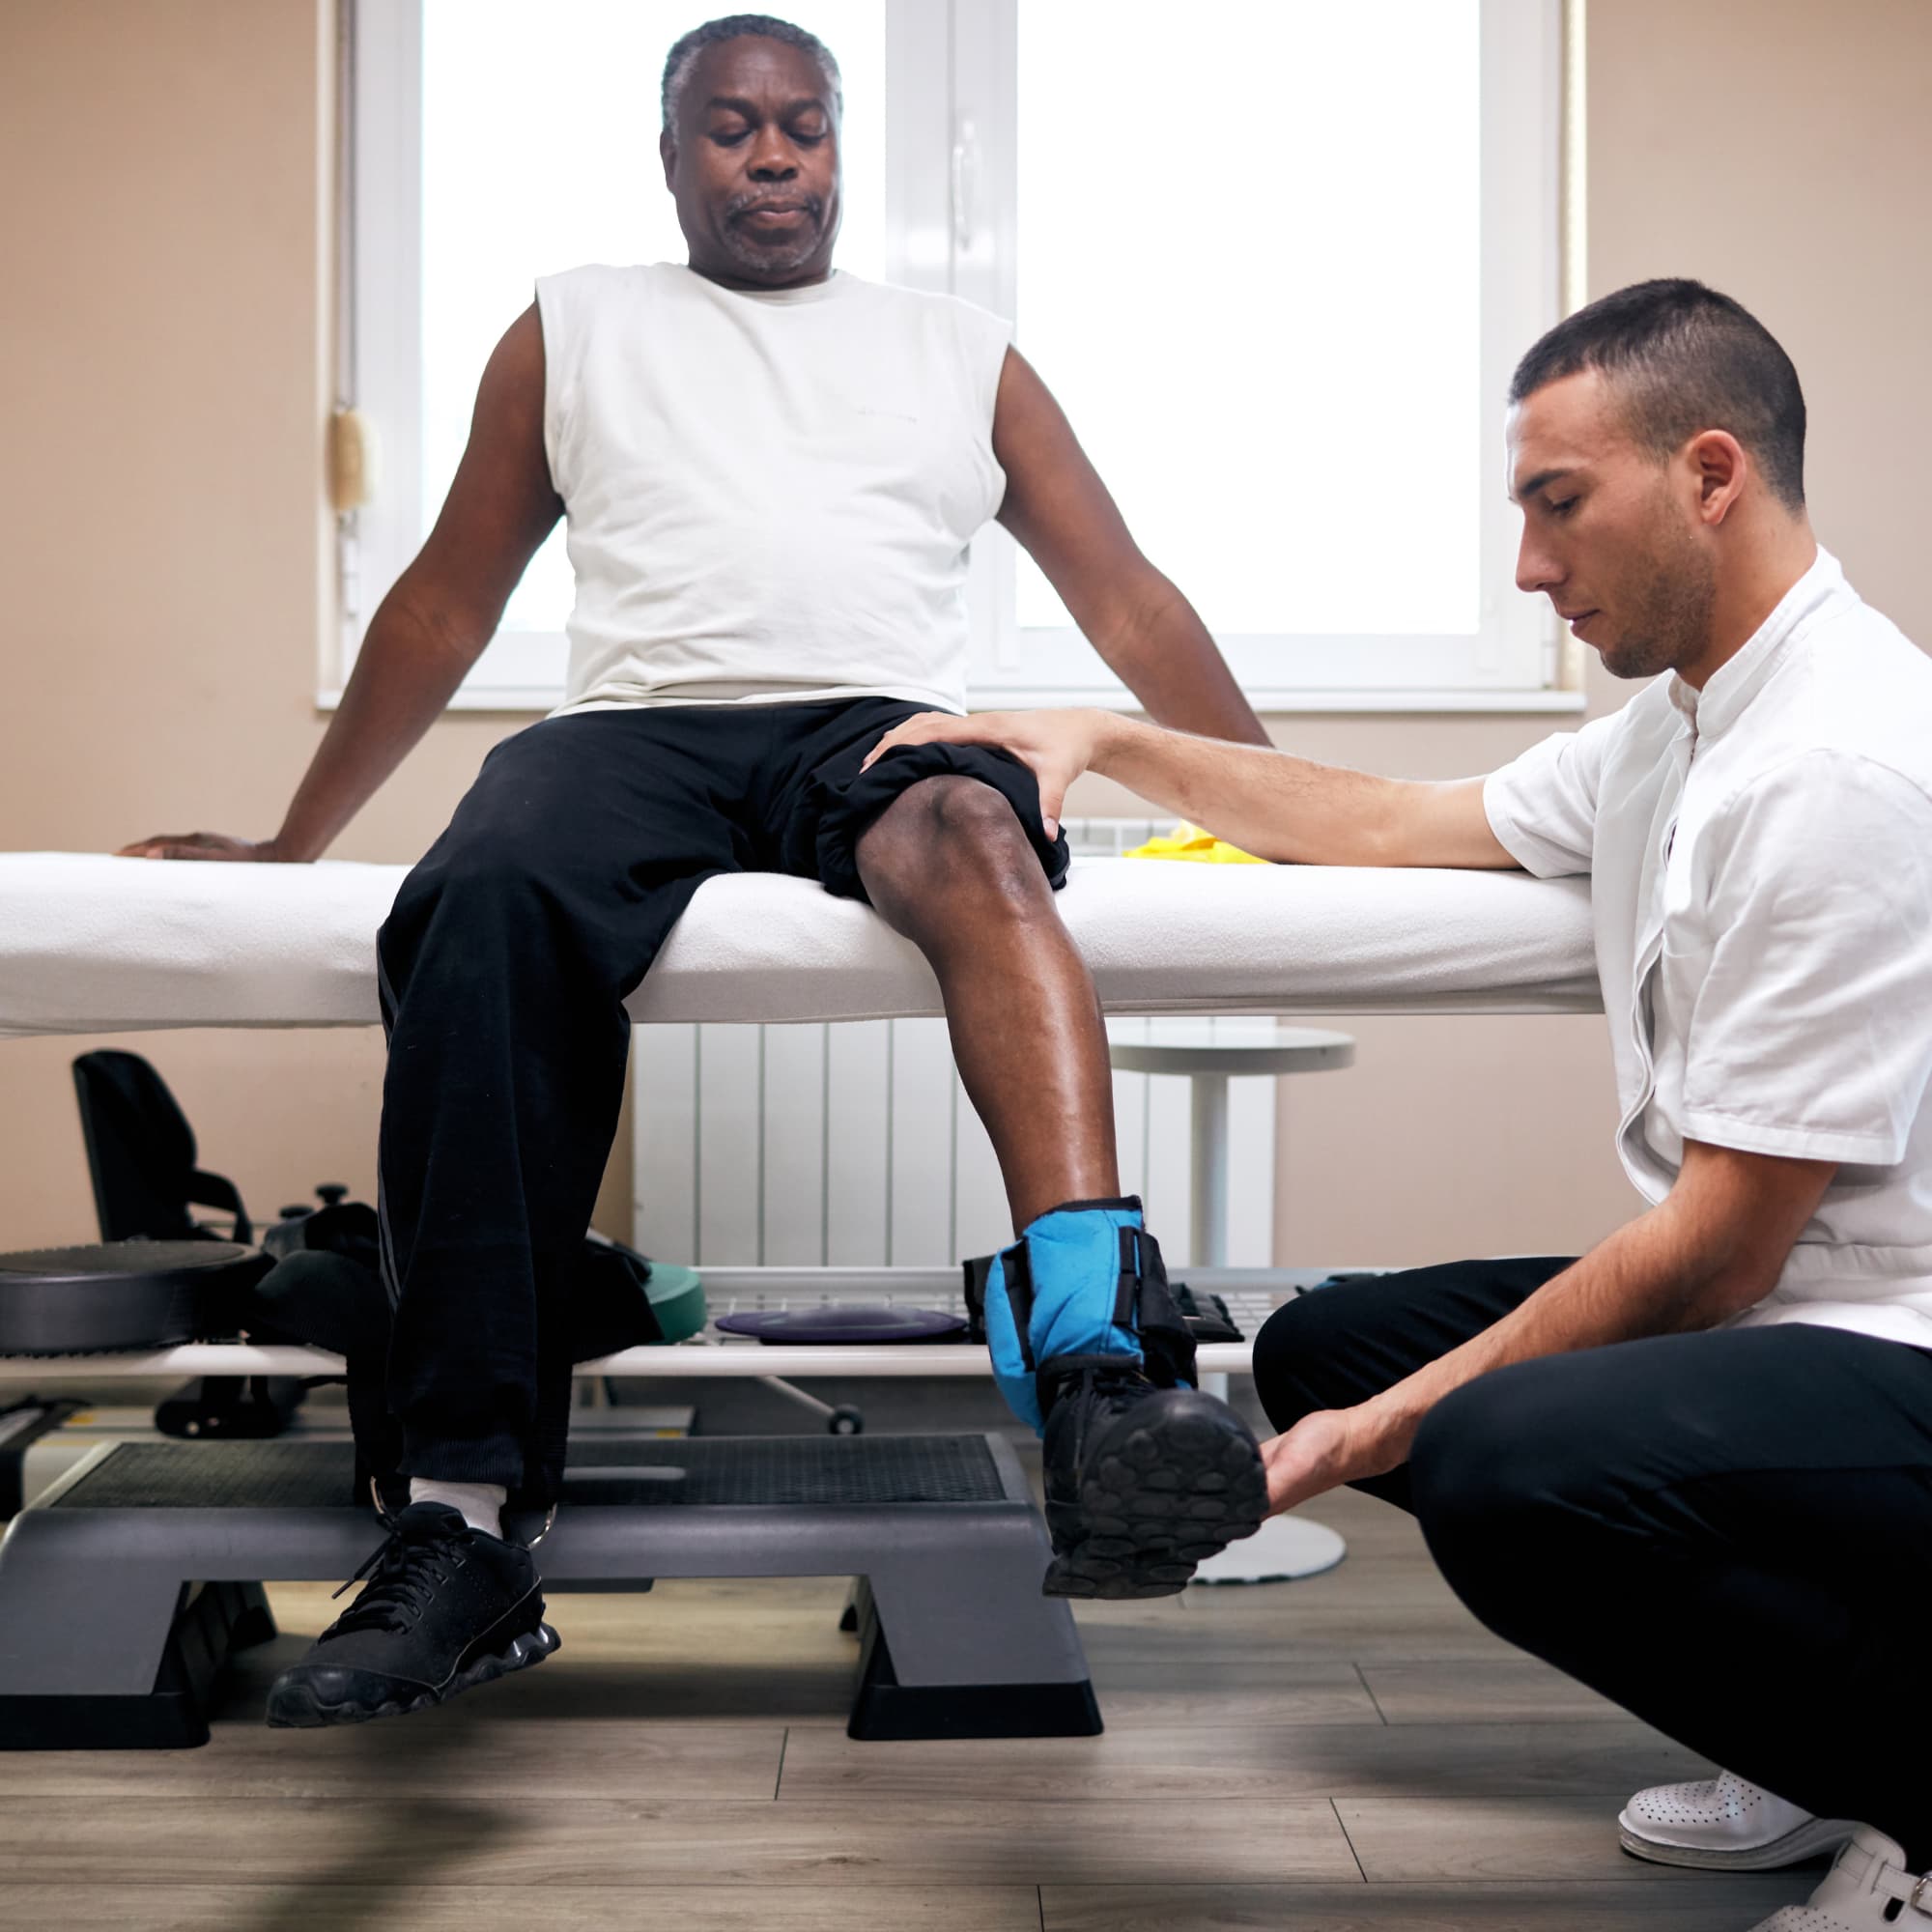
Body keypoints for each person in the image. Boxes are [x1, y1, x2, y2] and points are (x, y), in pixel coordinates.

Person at [121, 13, 1271, 1727]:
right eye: (731, 127)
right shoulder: (576, 325)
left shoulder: (958, 348)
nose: (774, 155)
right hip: (633, 733)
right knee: (485, 885)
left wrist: (1281, 810)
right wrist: (296, 841)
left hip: (872, 728)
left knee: (974, 821)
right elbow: (445, 597)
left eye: (803, 125)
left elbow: (1132, 602)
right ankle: (461, 1523)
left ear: (839, 148)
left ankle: (1096, 1369)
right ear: (673, 155)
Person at [863, 278, 1932, 1931]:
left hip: (1897, 1342)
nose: (1529, 566)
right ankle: (1809, 1733)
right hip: (1807, 1314)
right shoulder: (1686, 726)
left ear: (1710, 474)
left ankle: (1916, 1796)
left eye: (1557, 505)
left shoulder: (1840, 766)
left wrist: (1389, 1432)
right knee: (1322, 1342)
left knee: (1501, 1463)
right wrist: (1112, 737)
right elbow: (1377, 819)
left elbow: (1719, 1254)